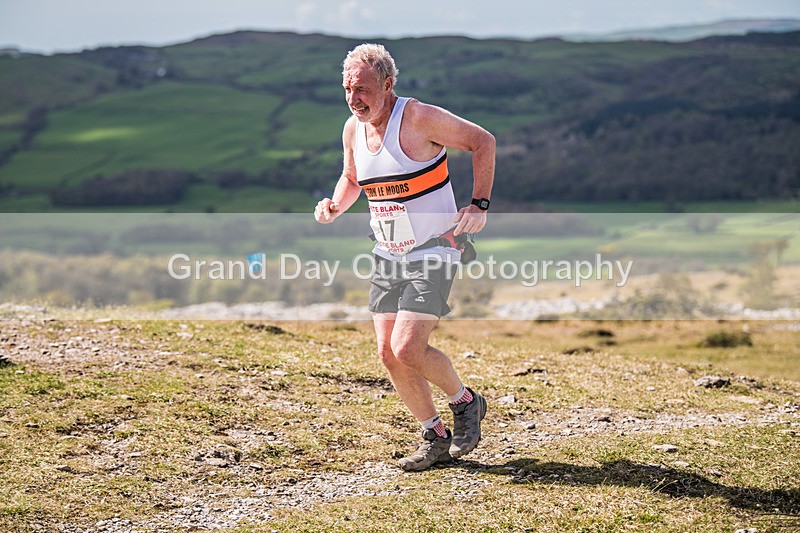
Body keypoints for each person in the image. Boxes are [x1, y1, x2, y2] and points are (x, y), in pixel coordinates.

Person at [314, 43, 496, 471]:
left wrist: (479, 204)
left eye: (363, 89)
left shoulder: (417, 117)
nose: (354, 98)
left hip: (435, 246)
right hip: (387, 252)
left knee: (408, 347)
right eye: (347, 89)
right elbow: (351, 177)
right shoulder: (352, 130)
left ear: (388, 85)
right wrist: (335, 205)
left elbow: (482, 142)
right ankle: (433, 435)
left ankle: (466, 402)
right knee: (387, 353)